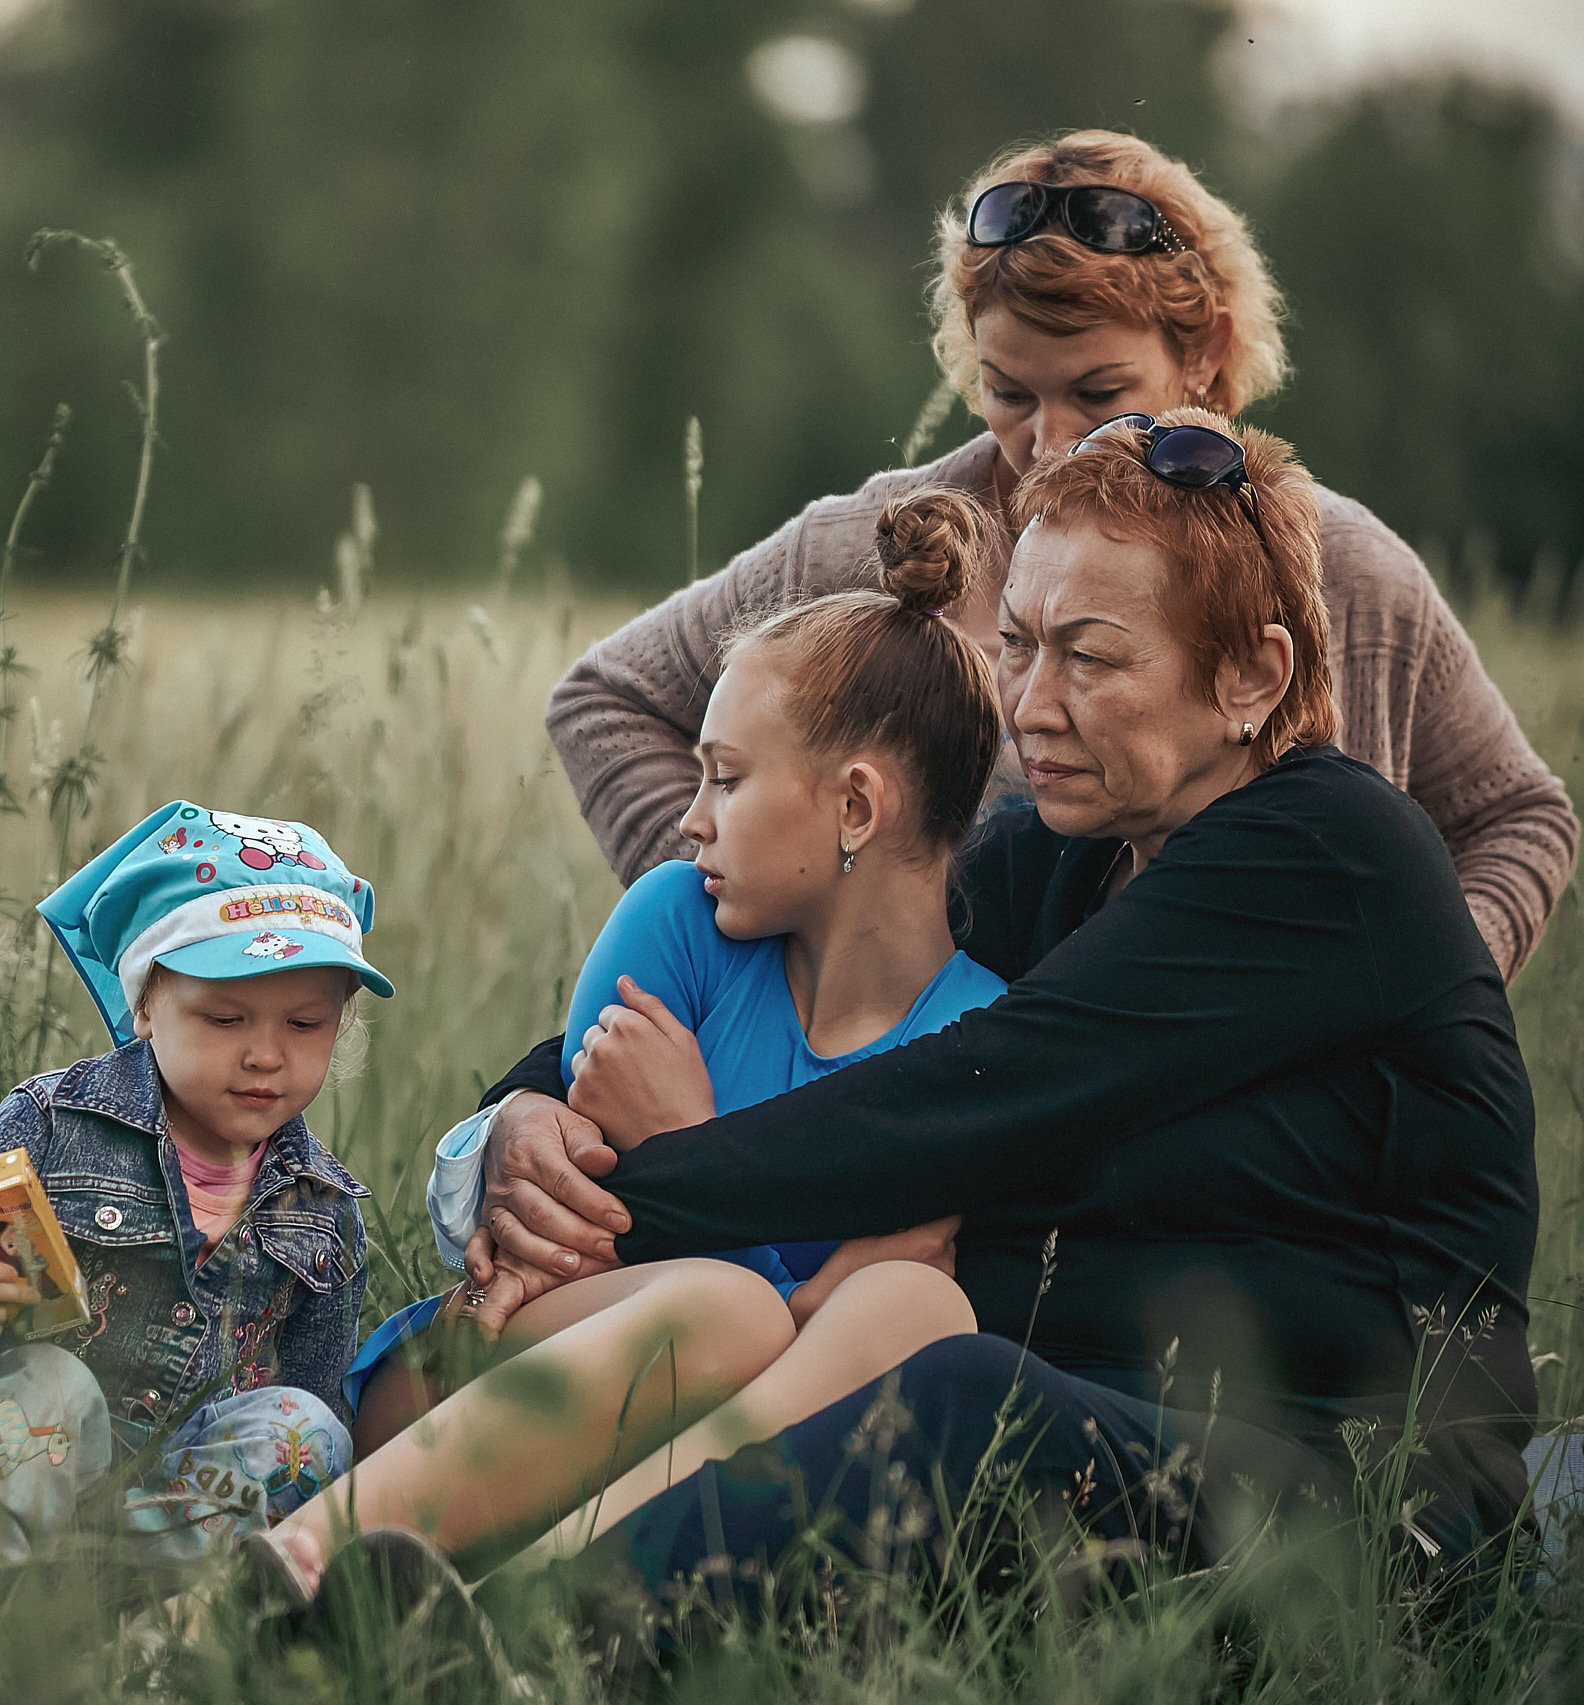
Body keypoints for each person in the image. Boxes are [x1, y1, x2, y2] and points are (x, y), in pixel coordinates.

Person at [426, 412, 1536, 1621]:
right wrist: (524, 1124)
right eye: (1016, 645)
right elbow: (787, 942)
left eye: (1092, 658)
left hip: (1357, 1511)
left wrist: (636, 1184)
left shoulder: (1335, 853)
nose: (1031, 704)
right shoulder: (1053, 861)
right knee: (868, 1359)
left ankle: (509, 1636)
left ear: (1251, 678)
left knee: (954, 1394)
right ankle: (404, 1573)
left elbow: (967, 1097)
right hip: (1096, 1439)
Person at [548, 129, 1572, 986]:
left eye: (1096, 393)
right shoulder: (866, 547)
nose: (1045, 442)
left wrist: (1417, 991)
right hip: (924, 1139)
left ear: (1205, 353)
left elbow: (1518, 818)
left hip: (1259, 1181)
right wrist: (768, 956)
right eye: (1007, 393)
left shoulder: (1349, 572)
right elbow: (606, 699)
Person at [264, 489, 1011, 1585]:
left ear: (856, 808)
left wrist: (696, 1138)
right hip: (474, 1397)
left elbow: (830, 1360)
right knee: (731, 1305)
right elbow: (565, 1246)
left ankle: (523, 1620)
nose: (689, 817)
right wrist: (767, 1253)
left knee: (919, 1307)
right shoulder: (677, 922)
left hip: (696, 1471)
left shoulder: (980, 1036)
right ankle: (287, 1567)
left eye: (727, 776)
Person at [0, 801, 390, 1644]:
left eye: (305, 1022)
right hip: (14, 1456)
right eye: (226, 1017)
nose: (266, 1054)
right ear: (145, 1006)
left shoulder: (325, 1211)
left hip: (167, 1512)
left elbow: (310, 1406)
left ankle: (111, 1622)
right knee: (52, 1385)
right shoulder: (53, 1123)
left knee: (308, 1431)